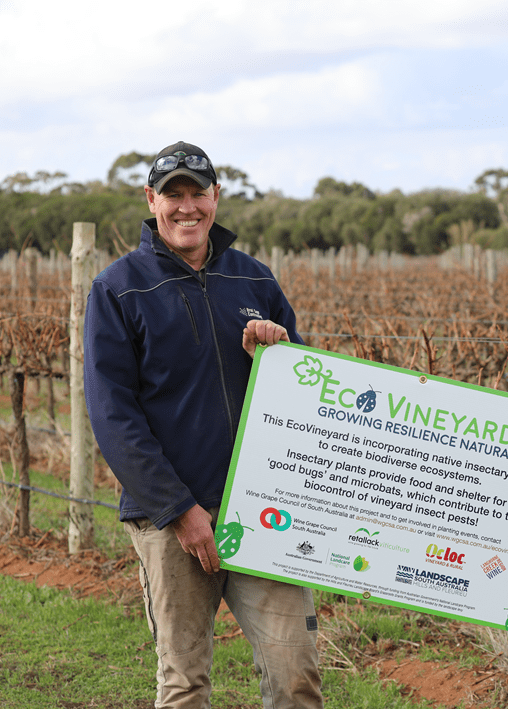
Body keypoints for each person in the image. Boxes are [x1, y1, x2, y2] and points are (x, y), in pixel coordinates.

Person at [84, 141, 322, 709]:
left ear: (216, 198)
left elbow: (307, 388)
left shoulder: (255, 281)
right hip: (172, 522)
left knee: (296, 677)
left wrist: (284, 350)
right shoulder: (118, 289)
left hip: (266, 511)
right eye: (173, 196)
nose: (186, 207)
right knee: (185, 684)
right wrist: (180, 511)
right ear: (151, 201)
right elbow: (113, 416)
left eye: (198, 194)